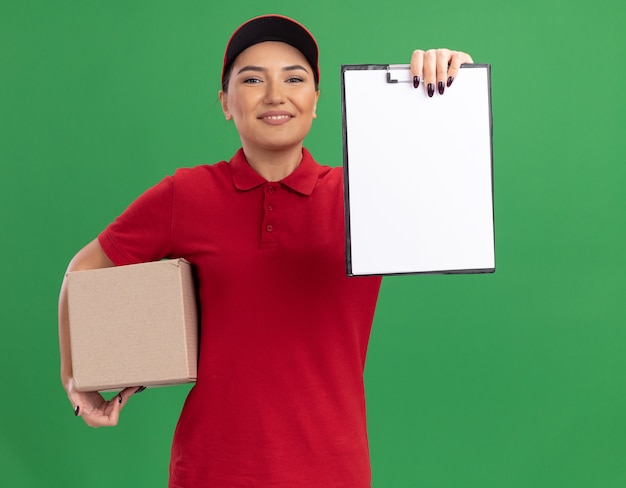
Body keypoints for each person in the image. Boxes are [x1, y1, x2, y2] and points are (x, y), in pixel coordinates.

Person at [58, 14, 473, 487]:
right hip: (210, 470)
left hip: (333, 471)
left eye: (294, 79)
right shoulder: (187, 194)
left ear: (316, 102)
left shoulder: (364, 194)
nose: (275, 94)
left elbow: (452, 204)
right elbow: (83, 272)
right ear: (225, 104)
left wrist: (448, 91)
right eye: (252, 79)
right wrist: (77, 378)